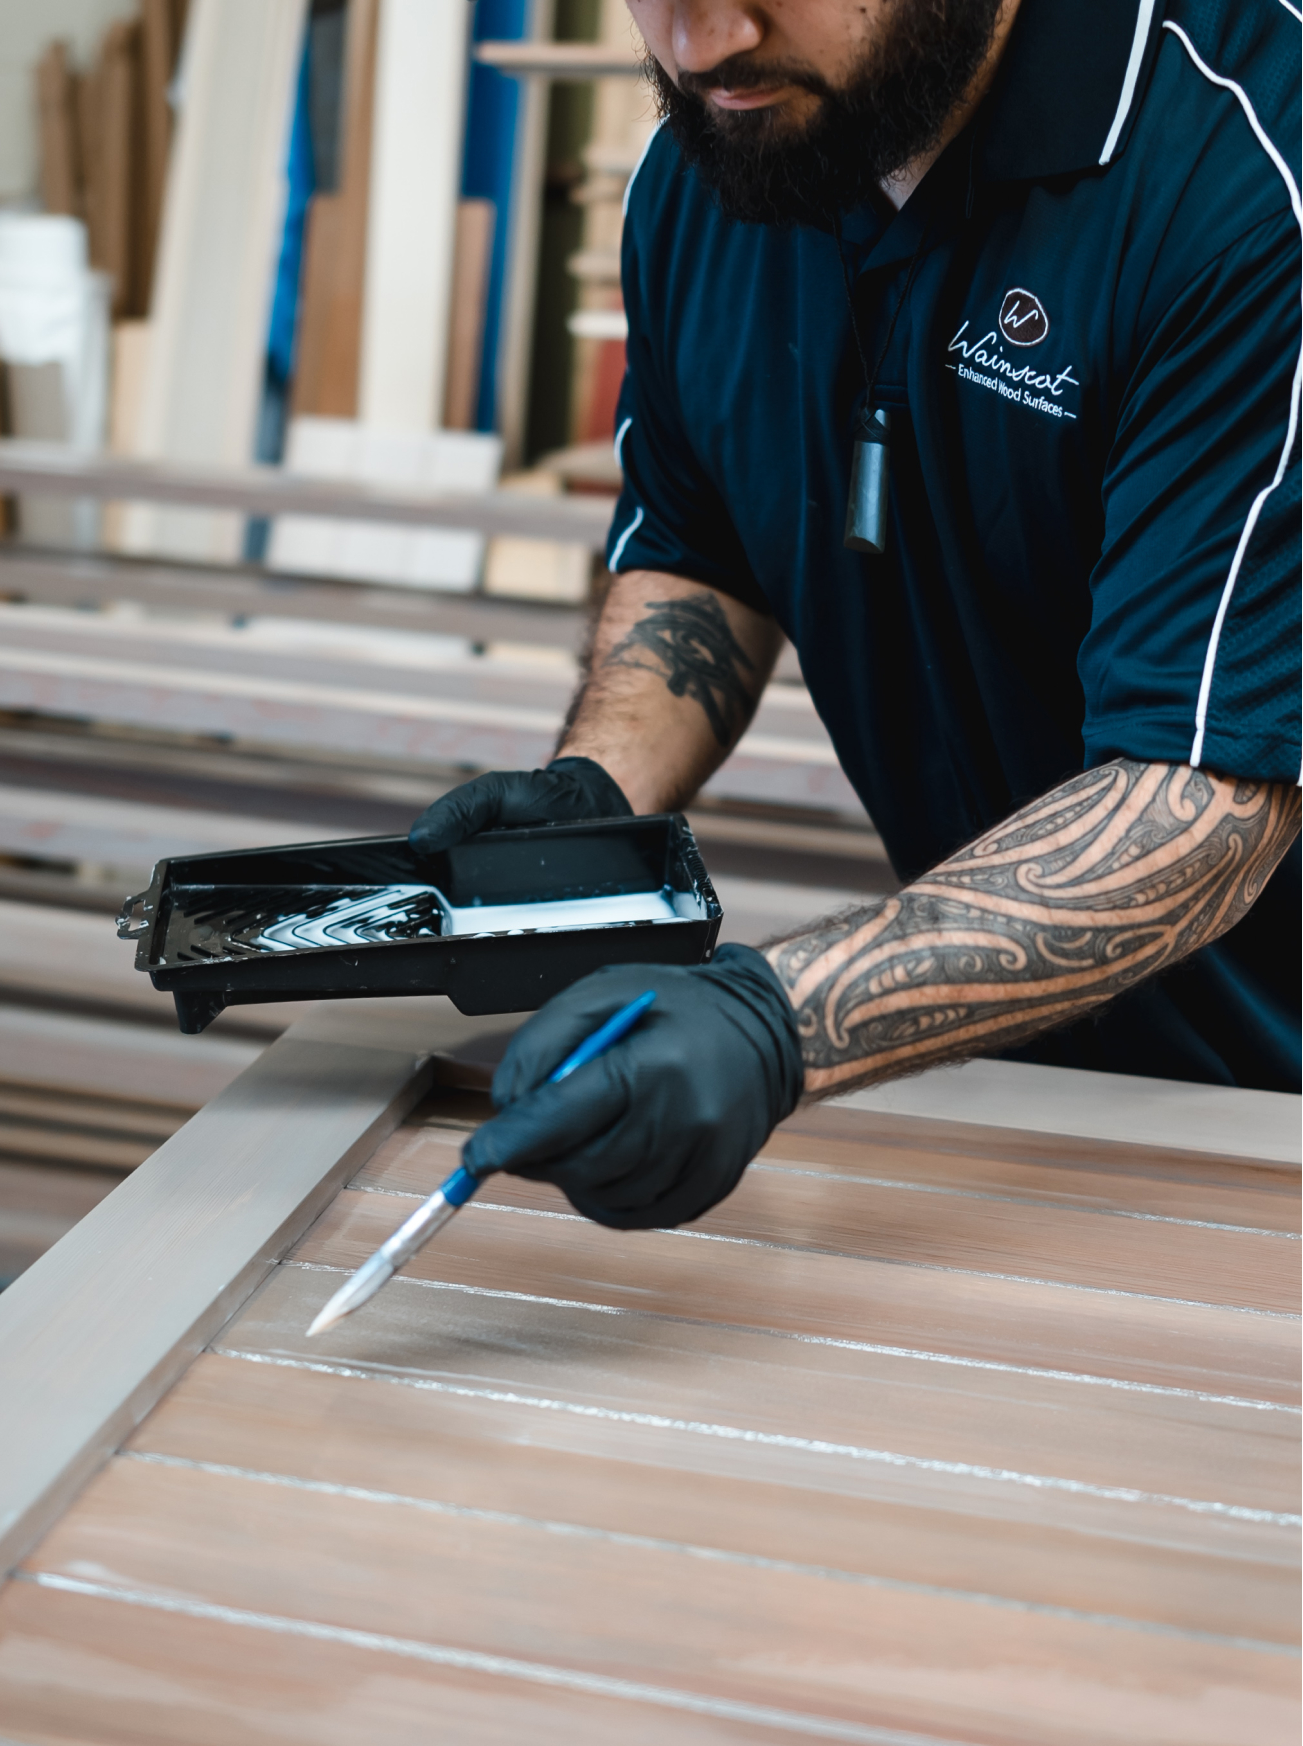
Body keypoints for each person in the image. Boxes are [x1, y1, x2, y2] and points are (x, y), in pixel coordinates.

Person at [413, 0, 1301, 1232]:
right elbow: (702, 540)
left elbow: (1204, 793)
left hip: (1274, 1118)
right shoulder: (724, 159)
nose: (699, 42)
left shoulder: (1246, 179)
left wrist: (775, 1019)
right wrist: (599, 794)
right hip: (1012, 1101)